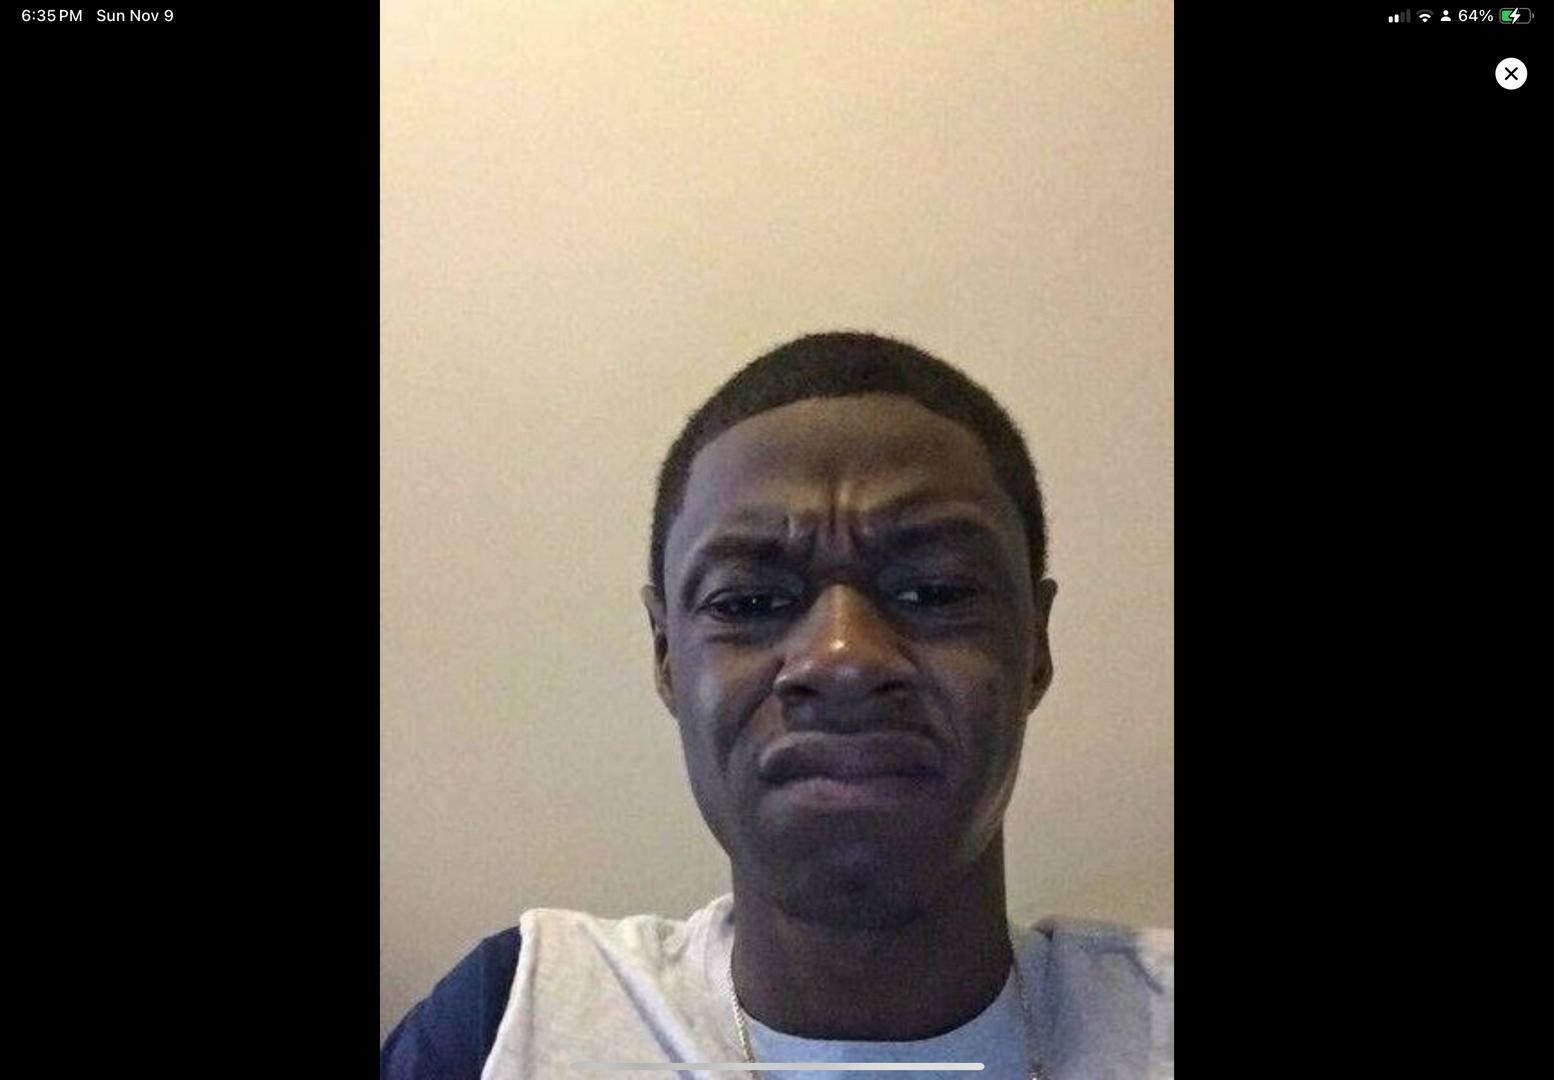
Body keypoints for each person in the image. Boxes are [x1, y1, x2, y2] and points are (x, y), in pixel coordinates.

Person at [381, 331, 1173, 1079]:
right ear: (666, 654)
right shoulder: (513, 1019)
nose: (843, 657)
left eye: (934, 591)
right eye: (751, 602)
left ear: (1034, 644)